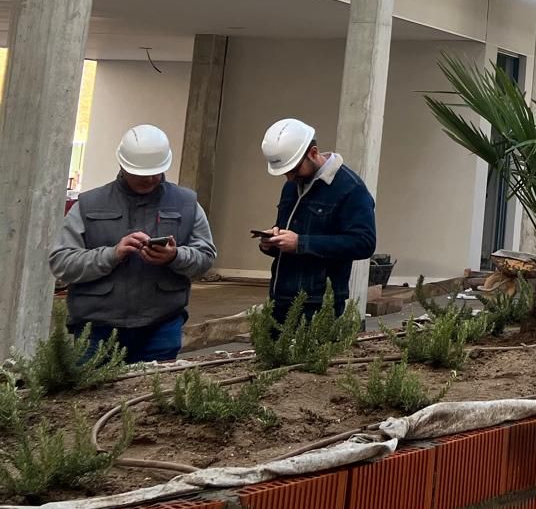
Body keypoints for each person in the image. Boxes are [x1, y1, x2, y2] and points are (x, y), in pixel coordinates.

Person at [49, 125, 217, 363]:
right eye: (140, 173)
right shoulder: (89, 205)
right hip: (96, 330)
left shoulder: (186, 204)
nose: (149, 179)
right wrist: (111, 255)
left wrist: (175, 257)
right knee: (92, 399)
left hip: (161, 327)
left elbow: (206, 257)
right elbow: (61, 263)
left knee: (154, 397)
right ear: (123, 165)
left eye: (156, 172)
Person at [258, 118, 377, 323]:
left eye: (294, 170)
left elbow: (363, 243)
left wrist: (301, 243)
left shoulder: (350, 188)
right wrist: (272, 242)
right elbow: (290, 233)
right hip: (281, 298)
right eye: (285, 172)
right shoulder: (291, 186)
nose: (289, 177)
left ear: (313, 153)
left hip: (320, 304)